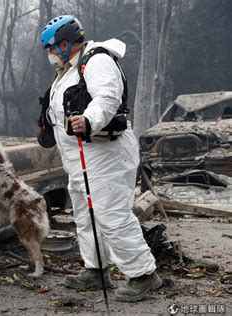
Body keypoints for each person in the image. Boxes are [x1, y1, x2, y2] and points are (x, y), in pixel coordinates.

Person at [39, 15, 162, 302]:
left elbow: (107, 98)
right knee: (85, 214)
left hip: (105, 153)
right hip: (79, 157)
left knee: (111, 214)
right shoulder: (66, 71)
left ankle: (143, 275)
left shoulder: (96, 60)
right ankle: (96, 269)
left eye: (52, 47)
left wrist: (89, 120)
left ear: (67, 43)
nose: (50, 54)